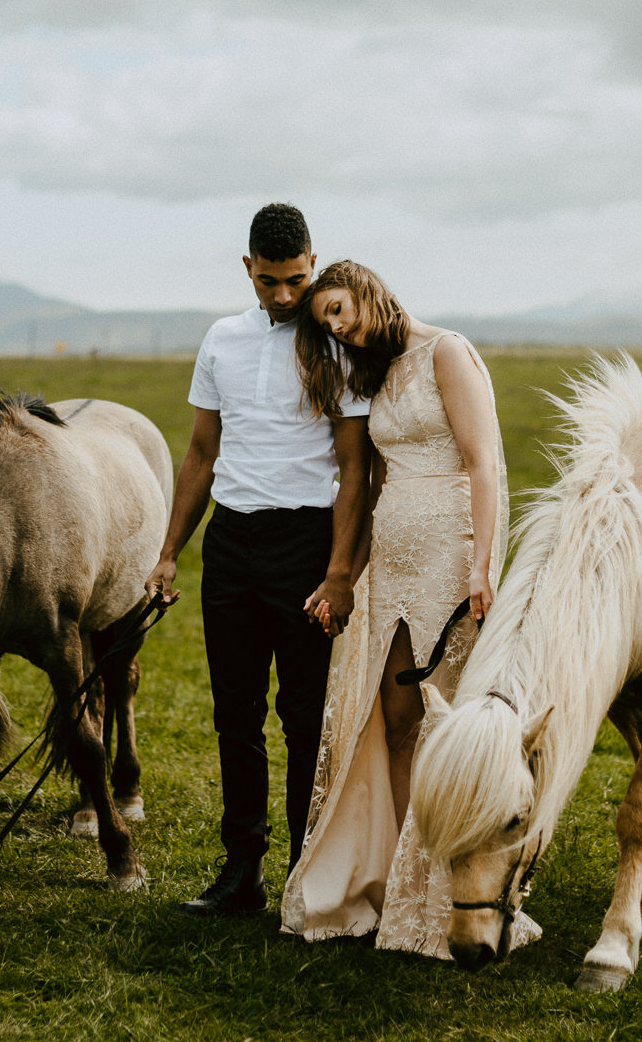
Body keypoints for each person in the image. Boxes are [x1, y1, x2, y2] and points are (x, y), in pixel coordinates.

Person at [279, 259, 538, 958]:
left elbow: (484, 461)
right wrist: (345, 577)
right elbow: (378, 479)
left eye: (339, 309)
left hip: (449, 560)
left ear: (367, 288)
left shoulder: (446, 352)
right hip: (392, 563)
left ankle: (451, 884)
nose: (340, 327)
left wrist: (483, 564)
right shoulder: (380, 373)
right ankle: (404, 878)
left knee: (441, 719)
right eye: (328, 322)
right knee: (394, 717)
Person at [146, 204, 372, 917]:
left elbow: (354, 463)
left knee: (304, 716)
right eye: (269, 281)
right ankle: (241, 871)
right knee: (233, 716)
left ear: (313, 263)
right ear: (248, 267)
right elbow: (202, 453)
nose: (282, 296)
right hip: (233, 547)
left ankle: (306, 877)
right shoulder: (220, 340)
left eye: (296, 280)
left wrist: (340, 571)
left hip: (307, 546)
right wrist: (167, 553)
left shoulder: (335, 341)